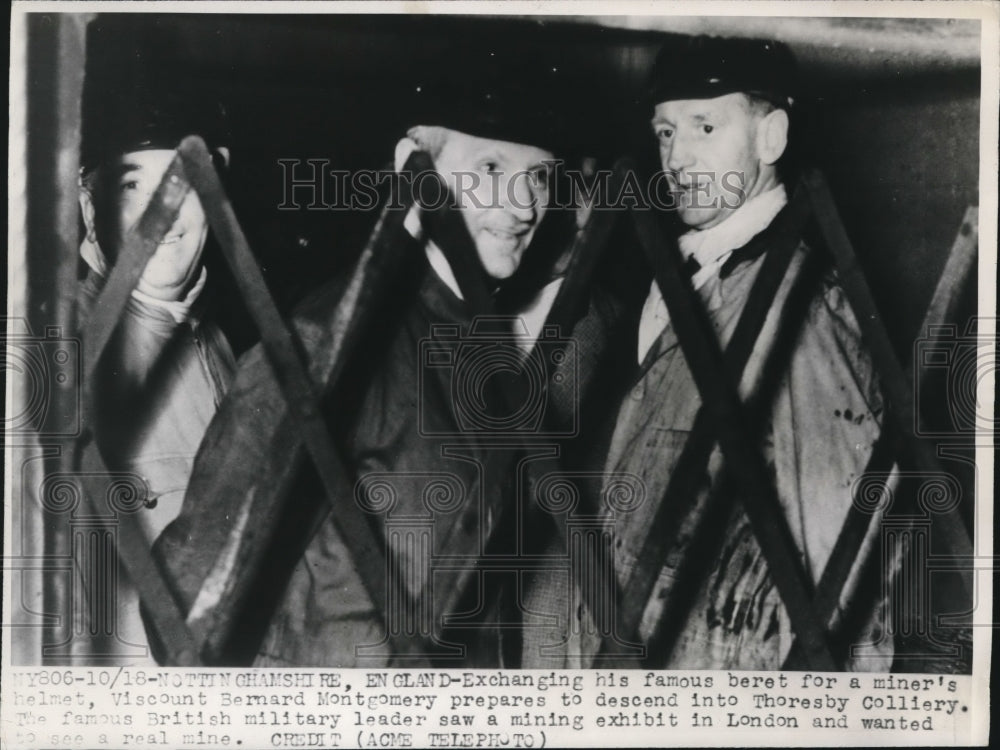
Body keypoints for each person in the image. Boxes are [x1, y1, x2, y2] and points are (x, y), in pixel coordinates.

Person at [150, 56, 623, 667]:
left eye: (539, 177)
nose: (524, 205)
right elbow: (186, 593)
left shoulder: (484, 344)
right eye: (490, 168)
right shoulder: (332, 339)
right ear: (412, 168)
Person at [524, 35, 892, 671]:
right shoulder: (675, 278)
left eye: (705, 126)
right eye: (666, 133)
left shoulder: (798, 304)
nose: (677, 157)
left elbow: (849, 560)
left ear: (771, 138)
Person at [77, 84, 237, 658]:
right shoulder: (60, 352)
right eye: (130, 185)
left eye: (182, 180)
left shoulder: (218, 342)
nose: (160, 210)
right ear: (89, 207)